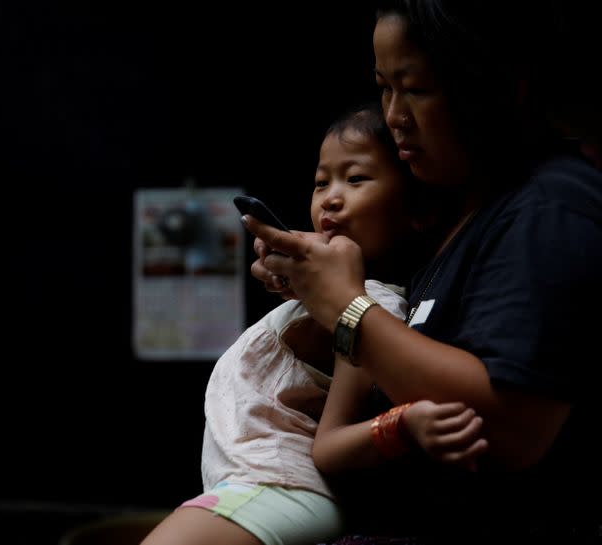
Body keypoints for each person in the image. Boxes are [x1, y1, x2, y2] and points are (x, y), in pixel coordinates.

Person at [244, 1, 602, 543]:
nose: (394, 116)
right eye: (385, 87)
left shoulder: (548, 206)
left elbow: (509, 427)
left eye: (416, 88)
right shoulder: (464, 216)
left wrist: (345, 308)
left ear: (505, 85)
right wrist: (307, 287)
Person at [141, 103, 486, 545]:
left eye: (356, 179)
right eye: (322, 181)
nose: (331, 197)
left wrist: (403, 423)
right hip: (258, 484)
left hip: (277, 487)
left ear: (417, 210)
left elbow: (331, 446)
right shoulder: (338, 294)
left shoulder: (369, 306)